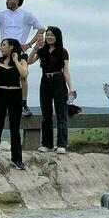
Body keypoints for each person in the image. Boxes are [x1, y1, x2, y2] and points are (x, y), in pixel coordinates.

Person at [0, 0, 43, 115]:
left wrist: (29, 44)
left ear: (17, 0)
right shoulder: (2, 14)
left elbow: (41, 28)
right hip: (4, 50)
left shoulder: (27, 15)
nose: (7, 1)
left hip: (20, 49)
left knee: (23, 76)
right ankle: (4, 104)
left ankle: (23, 104)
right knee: (2, 76)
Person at [27, 26, 76, 154]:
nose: (49, 37)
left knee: (61, 114)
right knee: (46, 114)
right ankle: (47, 144)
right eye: (47, 35)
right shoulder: (42, 50)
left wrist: (71, 87)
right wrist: (35, 48)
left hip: (59, 80)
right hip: (45, 81)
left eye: (52, 35)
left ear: (57, 37)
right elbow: (29, 61)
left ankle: (62, 144)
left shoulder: (63, 51)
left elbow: (66, 70)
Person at [0, 38, 29, 170]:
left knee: (15, 128)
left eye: (4, 45)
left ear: (12, 47)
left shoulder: (22, 61)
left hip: (15, 94)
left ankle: (17, 159)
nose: (1, 47)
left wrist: (15, 60)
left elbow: (24, 75)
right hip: (0, 94)